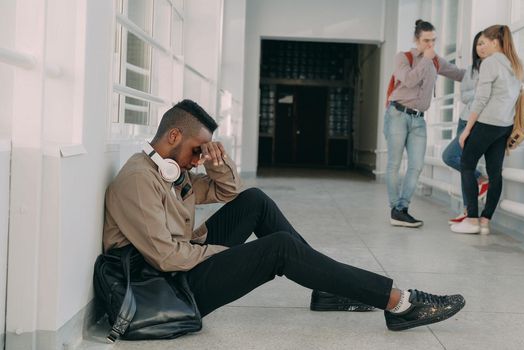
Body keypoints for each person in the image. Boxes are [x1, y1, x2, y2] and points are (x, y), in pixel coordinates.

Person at [102, 99, 466, 333]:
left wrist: (218, 161)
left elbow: (230, 192)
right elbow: (166, 258)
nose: (198, 160)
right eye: (197, 151)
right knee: (279, 249)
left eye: (203, 154)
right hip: (170, 285)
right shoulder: (138, 179)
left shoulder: (171, 171)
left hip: (184, 258)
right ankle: (398, 303)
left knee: (256, 201)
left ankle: (324, 288)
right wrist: (230, 255)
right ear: (173, 135)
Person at [450, 25, 524, 235]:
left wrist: (467, 130)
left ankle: (471, 219)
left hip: (487, 122)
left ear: (494, 42)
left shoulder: (490, 63)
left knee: (466, 164)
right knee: (495, 172)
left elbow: (481, 99)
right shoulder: (516, 64)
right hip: (505, 126)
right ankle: (485, 221)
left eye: (485, 42)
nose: (483, 46)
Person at [385, 19, 465, 228]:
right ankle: (396, 209)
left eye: (433, 40)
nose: (431, 45)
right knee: (394, 163)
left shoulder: (436, 61)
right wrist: (425, 61)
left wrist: (486, 71)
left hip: (419, 120)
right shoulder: (403, 57)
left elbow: (459, 74)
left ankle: (401, 209)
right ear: (416, 39)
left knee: (417, 166)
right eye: (426, 40)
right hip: (398, 114)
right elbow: (409, 80)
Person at [441, 31, 489, 226]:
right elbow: (465, 96)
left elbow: (486, 98)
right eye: (478, 44)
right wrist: (481, 90)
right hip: (464, 119)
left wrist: (479, 92)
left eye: (485, 43)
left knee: (450, 156)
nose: (481, 47)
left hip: (477, 121)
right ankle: (469, 210)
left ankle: (481, 179)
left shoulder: (497, 69)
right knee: (464, 165)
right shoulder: (471, 70)